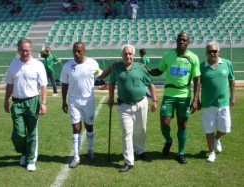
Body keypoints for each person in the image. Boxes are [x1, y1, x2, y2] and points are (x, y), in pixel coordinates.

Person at [146, 32, 201, 164]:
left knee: (182, 125)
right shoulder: (168, 55)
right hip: (169, 95)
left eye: (184, 40)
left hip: (184, 96)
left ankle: (180, 153)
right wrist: (146, 69)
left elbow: (197, 79)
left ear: (188, 42)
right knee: (164, 123)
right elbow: (159, 71)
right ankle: (169, 141)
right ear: (176, 41)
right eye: (180, 39)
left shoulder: (193, 57)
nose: (182, 42)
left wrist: (195, 99)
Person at [60, 42, 113, 168]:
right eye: (74, 51)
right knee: (76, 128)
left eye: (79, 51)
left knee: (89, 127)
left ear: (84, 51)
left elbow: (101, 75)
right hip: (74, 101)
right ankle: (76, 156)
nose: (76, 53)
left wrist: (111, 68)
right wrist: (64, 101)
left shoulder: (92, 63)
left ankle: (90, 149)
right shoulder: (67, 66)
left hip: (88, 100)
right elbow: (64, 84)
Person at [107, 44, 158, 172]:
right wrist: (110, 98)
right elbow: (112, 83)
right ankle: (129, 161)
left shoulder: (141, 68)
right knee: (127, 133)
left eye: (130, 54)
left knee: (141, 130)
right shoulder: (117, 68)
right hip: (124, 105)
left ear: (133, 55)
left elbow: (151, 85)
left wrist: (155, 100)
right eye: (125, 54)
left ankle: (140, 151)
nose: (128, 56)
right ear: (122, 55)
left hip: (141, 103)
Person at [4, 38, 48, 172]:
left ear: (31, 50)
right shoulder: (13, 64)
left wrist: (43, 103)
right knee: (19, 133)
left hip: (33, 101)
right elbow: (10, 84)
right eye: (22, 50)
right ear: (18, 50)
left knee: (32, 132)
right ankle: (23, 151)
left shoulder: (37, 65)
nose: (25, 53)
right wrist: (6, 100)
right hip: (17, 102)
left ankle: (30, 159)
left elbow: (44, 85)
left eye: (27, 50)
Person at [199, 41, 235, 162]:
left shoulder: (227, 63)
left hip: (223, 103)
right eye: (210, 51)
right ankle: (211, 153)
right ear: (206, 53)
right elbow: (198, 84)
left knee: (225, 129)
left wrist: (233, 97)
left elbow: (231, 80)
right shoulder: (201, 66)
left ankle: (216, 138)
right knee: (209, 129)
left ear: (218, 51)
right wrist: (196, 100)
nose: (213, 53)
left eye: (215, 51)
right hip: (207, 104)